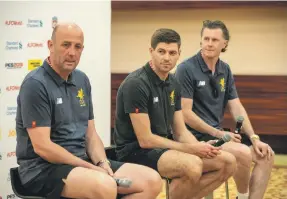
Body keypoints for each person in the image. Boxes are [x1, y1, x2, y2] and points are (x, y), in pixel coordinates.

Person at [16, 23, 163, 199]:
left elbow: (90, 135)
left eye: (77, 47)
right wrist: (90, 168)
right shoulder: (35, 84)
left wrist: (102, 163)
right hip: (42, 170)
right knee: (106, 186)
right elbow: (43, 147)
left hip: (82, 164)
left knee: (152, 181)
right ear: (50, 45)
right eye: (65, 45)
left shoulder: (81, 80)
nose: (72, 52)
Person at [113, 28, 237, 199]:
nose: (166, 58)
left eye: (172, 53)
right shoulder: (136, 84)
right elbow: (145, 139)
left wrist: (201, 148)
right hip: (135, 151)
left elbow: (180, 131)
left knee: (228, 162)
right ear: (151, 51)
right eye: (161, 51)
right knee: (192, 166)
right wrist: (191, 149)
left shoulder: (173, 83)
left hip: (163, 147)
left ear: (179, 54)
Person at [175, 20, 274, 199]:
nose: (209, 43)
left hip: (218, 136)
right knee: (243, 153)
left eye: (214, 40)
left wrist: (254, 138)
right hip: (194, 137)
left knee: (266, 155)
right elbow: (185, 113)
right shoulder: (186, 69)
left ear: (224, 44)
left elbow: (236, 106)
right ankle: (242, 197)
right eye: (206, 39)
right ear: (201, 41)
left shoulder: (225, 69)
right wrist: (219, 134)